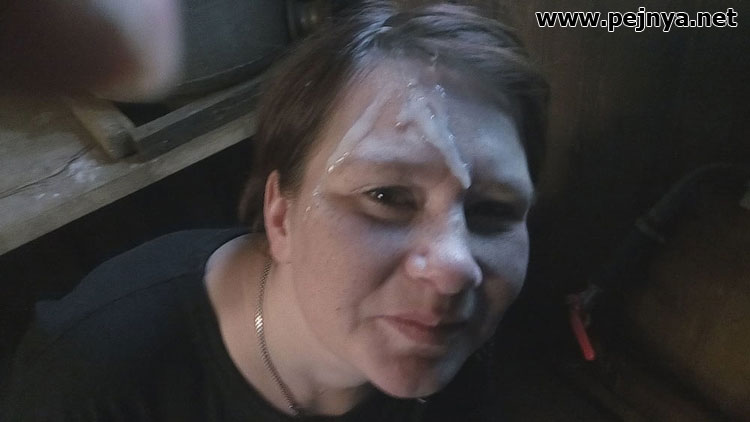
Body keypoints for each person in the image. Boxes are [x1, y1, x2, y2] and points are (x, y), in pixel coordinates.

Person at [0, 1, 548, 420]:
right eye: (386, 197)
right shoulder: (94, 377)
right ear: (281, 217)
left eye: (492, 211)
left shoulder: (453, 343)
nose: (456, 269)